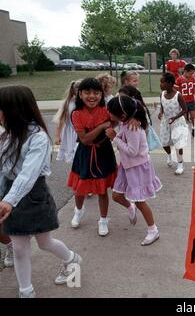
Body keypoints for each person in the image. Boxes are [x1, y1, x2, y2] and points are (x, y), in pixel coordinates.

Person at [0, 85, 82, 298]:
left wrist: (9, 200)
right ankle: (26, 291)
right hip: (10, 193)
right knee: (19, 248)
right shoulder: (6, 134)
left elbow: (28, 174)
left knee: (45, 242)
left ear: (13, 110)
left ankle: (71, 259)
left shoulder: (38, 137)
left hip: (33, 195)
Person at [106, 95, 162, 246]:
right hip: (127, 166)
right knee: (117, 196)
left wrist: (114, 138)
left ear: (122, 115)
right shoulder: (126, 122)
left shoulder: (132, 128)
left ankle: (153, 230)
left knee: (140, 201)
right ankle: (130, 207)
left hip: (138, 168)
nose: (108, 114)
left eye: (110, 112)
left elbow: (132, 151)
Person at [67, 78, 117, 237]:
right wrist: (102, 126)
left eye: (96, 92)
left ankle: (103, 220)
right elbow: (85, 139)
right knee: (80, 188)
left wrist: (135, 119)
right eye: (87, 92)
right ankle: (78, 211)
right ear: (79, 94)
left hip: (104, 152)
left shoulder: (107, 109)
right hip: (85, 153)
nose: (92, 96)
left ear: (101, 94)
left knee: (102, 190)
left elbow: (127, 111)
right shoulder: (76, 113)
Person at [158, 73, 188, 176]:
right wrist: (160, 112)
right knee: (165, 142)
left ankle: (180, 165)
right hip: (166, 122)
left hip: (177, 122)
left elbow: (185, 110)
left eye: (163, 82)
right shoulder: (162, 94)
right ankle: (169, 155)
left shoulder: (178, 95)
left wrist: (175, 117)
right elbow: (162, 105)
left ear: (170, 83)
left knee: (178, 143)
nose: (160, 84)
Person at [53, 80, 81, 163]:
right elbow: (61, 120)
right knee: (74, 158)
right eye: (77, 89)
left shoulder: (86, 102)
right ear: (73, 90)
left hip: (82, 133)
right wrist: (57, 136)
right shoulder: (68, 103)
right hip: (71, 134)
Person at [175, 63, 195, 137]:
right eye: (191, 73)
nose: (192, 75)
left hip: (191, 100)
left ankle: (193, 128)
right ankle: (183, 131)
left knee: (193, 116)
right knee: (183, 118)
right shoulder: (179, 79)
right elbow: (176, 90)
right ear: (186, 71)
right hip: (183, 102)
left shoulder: (192, 79)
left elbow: (193, 88)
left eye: (193, 73)